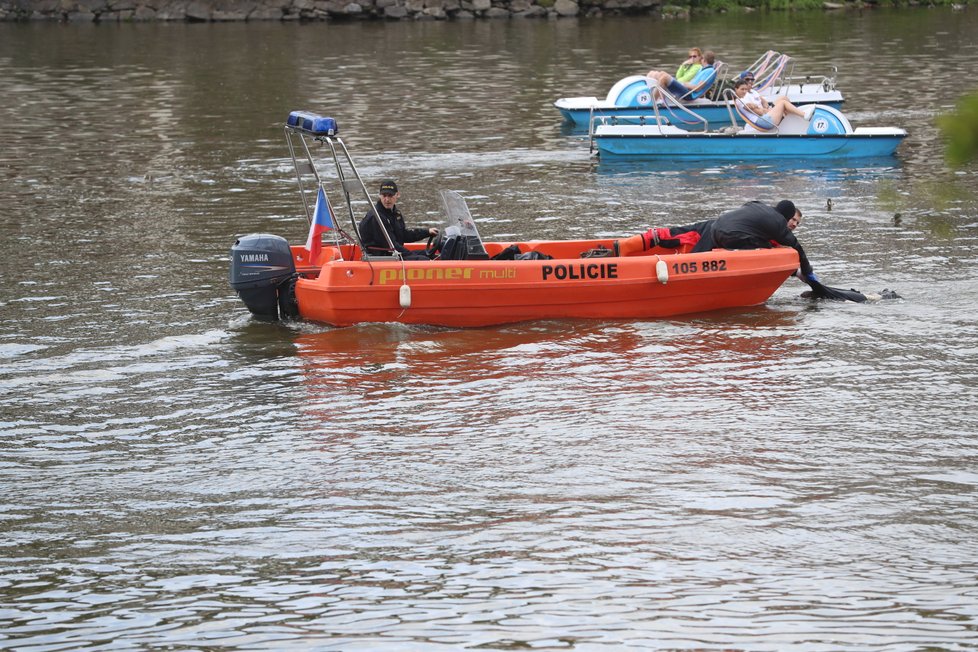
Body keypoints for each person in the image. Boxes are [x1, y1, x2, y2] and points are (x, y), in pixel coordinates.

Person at [711, 200, 817, 282]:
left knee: (765, 243)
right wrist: (807, 270)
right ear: (787, 217)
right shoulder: (779, 221)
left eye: (797, 223)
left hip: (714, 230)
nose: (794, 224)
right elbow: (796, 246)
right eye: (793, 220)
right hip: (733, 237)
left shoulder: (756, 204)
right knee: (769, 248)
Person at [358, 179, 438, 260]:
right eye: (384, 195)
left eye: (390, 195)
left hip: (393, 254)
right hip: (382, 258)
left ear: (397, 195)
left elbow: (403, 235)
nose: (387, 199)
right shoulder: (376, 218)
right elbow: (391, 246)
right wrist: (412, 255)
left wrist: (427, 232)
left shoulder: (395, 213)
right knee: (424, 259)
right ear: (380, 196)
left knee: (430, 254)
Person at [733, 78, 806, 130]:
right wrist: (768, 110)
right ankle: (804, 115)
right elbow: (760, 112)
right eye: (742, 89)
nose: (745, 91)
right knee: (782, 103)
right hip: (763, 121)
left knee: (783, 98)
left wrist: (759, 107)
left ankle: (793, 119)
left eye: (745, 89)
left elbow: (761, 104)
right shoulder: (740, 101)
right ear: (736, 89)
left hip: (765, 116)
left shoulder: (745, 98)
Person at [647, 50, 717, 100]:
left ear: (704, 60)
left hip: (689, 94)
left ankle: (653, 102)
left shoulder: (710, 71)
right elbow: (690, 81)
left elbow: (697, 88)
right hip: (686, 89)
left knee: (664, 78)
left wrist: (684, 84)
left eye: (701, 58)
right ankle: (647, 97)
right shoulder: (703, 69)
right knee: (660, 73)